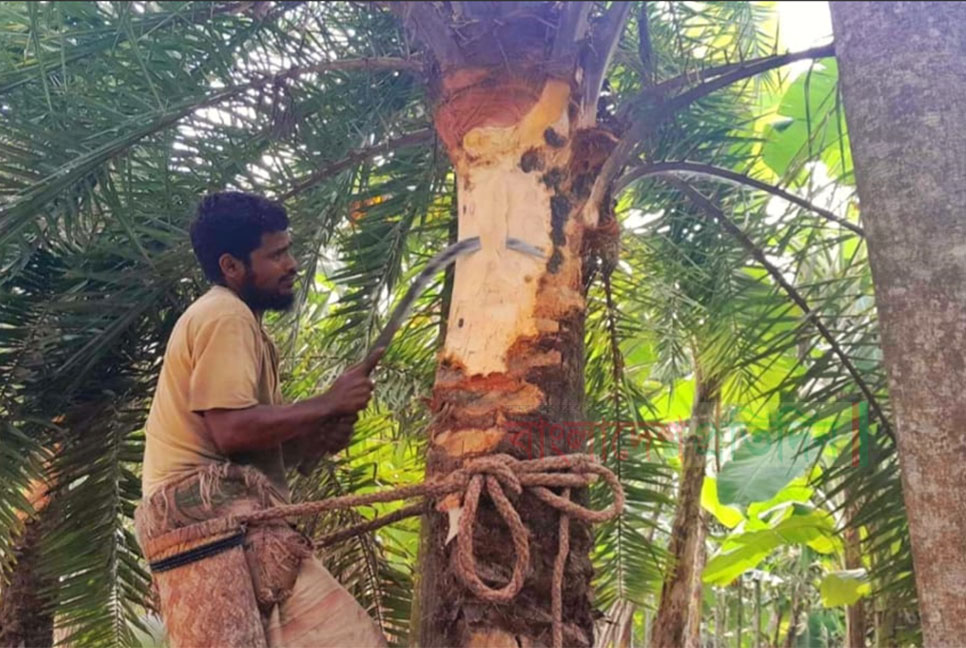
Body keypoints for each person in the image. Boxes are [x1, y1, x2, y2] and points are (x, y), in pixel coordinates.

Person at [134, 191, 387, 647]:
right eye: (276, 255)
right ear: (231, 266)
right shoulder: (224, 315)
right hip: (214, 522)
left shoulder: (242, 322)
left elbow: (253, 444)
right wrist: (327, 403)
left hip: (223, 525)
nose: (292, 264)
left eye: (288, 249)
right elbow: (231, 430)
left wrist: (318, 436)